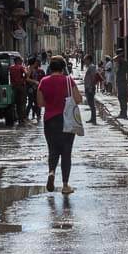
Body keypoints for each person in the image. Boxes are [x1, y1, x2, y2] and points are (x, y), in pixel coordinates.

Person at [37, 56, 83, 194]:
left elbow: (40, 103)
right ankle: (65, 185)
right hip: (66, 119)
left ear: (50, 68)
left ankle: (51, 172)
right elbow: (78, 99)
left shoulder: (43, 81)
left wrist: (51, 104)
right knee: (66, 152)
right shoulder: (68, 81)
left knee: (53, 149)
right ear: (63, 68)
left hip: (50, 120)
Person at [8, 56, 29, 125]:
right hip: (21, 86)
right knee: (22, 103)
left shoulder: (11, 68)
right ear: (18, 61)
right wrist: (23, 79)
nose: (22, 62)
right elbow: (26, 74)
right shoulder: (21, 67)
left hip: (14, 87)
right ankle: (21, 119)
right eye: (21, 61)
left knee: (16, 103)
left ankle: (16, 117)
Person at [27, 57, 44, 122]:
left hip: (36, 89)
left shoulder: (37, 70)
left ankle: (38, 115)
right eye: (36, 62)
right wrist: (34, 82)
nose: (37, 63)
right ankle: (26, 115)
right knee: (31, 102)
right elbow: (27, 78)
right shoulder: (30, 69)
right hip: (31, 89)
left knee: (37, 102)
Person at [83, 54, 99, 125]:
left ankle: (94, 119)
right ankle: (92, 118)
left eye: (85, 59)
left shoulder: (92, 67)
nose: (84, 61)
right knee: (90, 104)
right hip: (88, 87)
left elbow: (93, 77)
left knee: (91, 104)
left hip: (90, 88)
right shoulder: (90, 67)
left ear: (89, 60)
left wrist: (91, 87)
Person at [114, 53, 128, 119]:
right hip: (120, 83)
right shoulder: (121, 64)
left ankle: (124, 113)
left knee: (122, 98)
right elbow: (114, 59)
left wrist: (119, 58)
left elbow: (114, 59)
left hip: (122, 83)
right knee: (121, 98)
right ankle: (122, 112)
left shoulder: (124, 63)